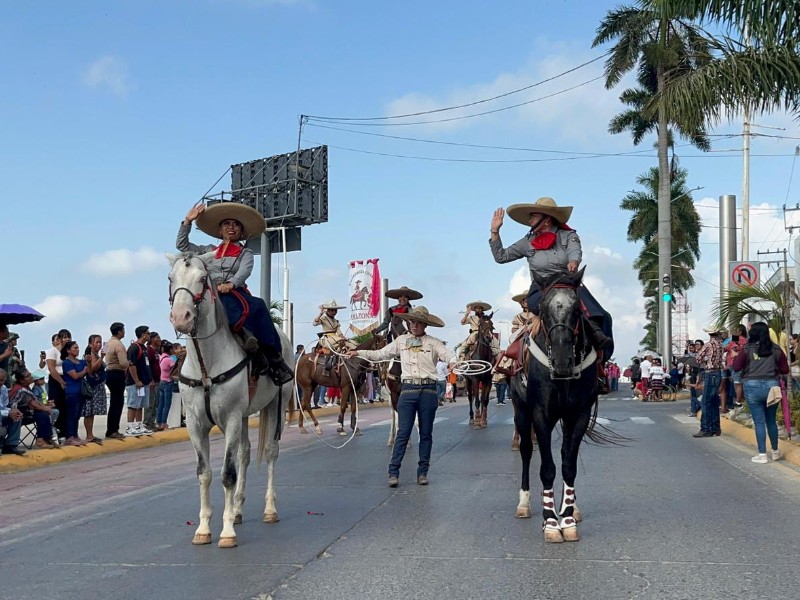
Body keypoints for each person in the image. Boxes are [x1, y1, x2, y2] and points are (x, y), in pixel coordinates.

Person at [177, 201, 293, 385]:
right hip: (209, 291)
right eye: (226, 224)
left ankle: (273, 358)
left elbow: (244, 271)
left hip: (233, 292)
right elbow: (182, 246)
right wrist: (187, 222)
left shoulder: (245, 252)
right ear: (220, 230)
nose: (231, 227)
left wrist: (231, 284)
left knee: (258, 306)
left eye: (235, 224)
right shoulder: (208, 250)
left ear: (240, 230)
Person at [346, 306, 454, 487]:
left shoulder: (433, 343)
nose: (414, 325)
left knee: (426, 433)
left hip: (428, 391)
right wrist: (358, 352)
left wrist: (453, 363)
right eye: (412, 322)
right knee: (403, 432)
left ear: (425, 325)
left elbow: (448, 355)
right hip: (408, 390)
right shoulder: (401, 341)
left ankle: (422, 473)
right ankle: (393, 471)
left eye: (418, 323)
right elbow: (381, 354)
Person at [489, 197, 612, 354]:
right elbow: (501, 256)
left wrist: (574, 261)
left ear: (546, 219)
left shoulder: (568, 235)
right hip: (541, 287)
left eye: (533, 215)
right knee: (542, 310)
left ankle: (596, 335)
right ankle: (520, 359)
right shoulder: (527, 241)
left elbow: (575, 250)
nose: (529, 219)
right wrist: (495, 231)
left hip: (566, 283)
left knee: (598, 313)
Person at [733, 321, 790, 463]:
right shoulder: (776, 349)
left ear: (752, 334)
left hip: (752, 387)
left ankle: (762, 454)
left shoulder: (746, 349)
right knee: (771, 421)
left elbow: (736, 367)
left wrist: (735, 356)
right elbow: (785, 370)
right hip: (772, 386)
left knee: (759, 422)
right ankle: (775, 451)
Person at [9, 368, 57, 449]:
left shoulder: (26, 387)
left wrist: (47, 406)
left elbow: (36, 401)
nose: (31, 377)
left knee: (50, 412)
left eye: (30, 375)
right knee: (43, 414)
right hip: (16, 415)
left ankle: (47, 438)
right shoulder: (21, 390)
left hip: (25, 411)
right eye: (28, 376)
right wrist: (47, 408)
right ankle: (41, 440)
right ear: (22, 380)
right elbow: (35, 405)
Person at [693, 326, 725, 438]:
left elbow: (698, 359)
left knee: (706, 402)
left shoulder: (708, 345)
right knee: (714, 401)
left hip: (710, 373)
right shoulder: (721, 345)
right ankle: (716, 427)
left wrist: (705, 358)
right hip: (718, 373)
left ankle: (705, 429)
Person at [125, 326, 153, 436]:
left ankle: (138, 425)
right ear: (143, 334)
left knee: (140, 405)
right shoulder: (134, 348)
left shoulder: (144, 348)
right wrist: (136, 380)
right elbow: (131, 365)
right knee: (133, 404)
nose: (149, 335)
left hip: (144, 382)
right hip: (135, 383)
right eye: (148, 333)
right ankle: (130, 426)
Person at [313, 300, 353, 375]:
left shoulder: (336, 321)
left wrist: (344, 337)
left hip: (336, 338)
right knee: (338, 342)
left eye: (335, 310)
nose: (333, 312)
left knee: (351, 343)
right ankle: (327, 366)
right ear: (327, 310)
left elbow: (340, 333)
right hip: (326, 338)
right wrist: (320, 314)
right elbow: (314, 323)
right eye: (331, 310)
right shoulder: (323, 318)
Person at [61, 341, 89, 446]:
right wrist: (84, 371)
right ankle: (70, 436)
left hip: (80, 391)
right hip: (71, 391)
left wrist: (88, 365)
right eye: (74, 348)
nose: (77, 350)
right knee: (71, 414)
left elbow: (89, 371)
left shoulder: (81, 362)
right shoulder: (67, 363)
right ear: (68, 350)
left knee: (77, 415)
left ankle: (75, 434)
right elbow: (75, 376)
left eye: (78, 348)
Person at [104, 322, 129, 440]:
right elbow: (123, 363)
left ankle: (111, 429)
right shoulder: (119, 345)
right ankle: (113, 429)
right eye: (123, 330)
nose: (124, 332)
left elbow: (102, 355)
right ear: (119, 331)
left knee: (114, 402)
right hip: (117, 373)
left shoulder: (107, 343)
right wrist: (129, 363)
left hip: (108, 372)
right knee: (118, 403)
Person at [45, 328, 71, 439]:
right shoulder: (53, 351)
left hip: (67, 379)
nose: (67, 339)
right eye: (64, 337)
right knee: (57, 405)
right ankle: (57, 433)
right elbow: (51, 368)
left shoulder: (69, 351)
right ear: (59, 339)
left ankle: (66, 432)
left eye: (68, 337)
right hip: (56, 380)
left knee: (66, 407)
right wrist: (61, 382)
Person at [82, 334, 107, 445]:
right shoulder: (90, 355)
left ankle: (90, 434)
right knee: (89, 411)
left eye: (100, 342)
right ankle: (89, 435)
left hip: (98, 385)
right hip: (92, 386)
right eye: (96, 342)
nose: (99, 344)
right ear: (90, 344)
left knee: (92, 411)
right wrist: (101, 358)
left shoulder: (95, 355)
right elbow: (91, 369)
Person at [0, 368, 26, 455]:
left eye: (2, 380)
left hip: (2, 413)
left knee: (16, 416)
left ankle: (10, 445)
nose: (0, 383)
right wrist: (8, 413)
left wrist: (13, 411)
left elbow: (4, 406)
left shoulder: (3, 389)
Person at [156, 341, 176, 431]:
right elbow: (175, 371)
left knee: (161, 404)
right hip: (168, 382)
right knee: (167, 404)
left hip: (161, 381)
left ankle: (159, 422)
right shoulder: (169, 360)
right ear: (170, 350)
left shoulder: (161, 358)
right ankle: (164, 423)